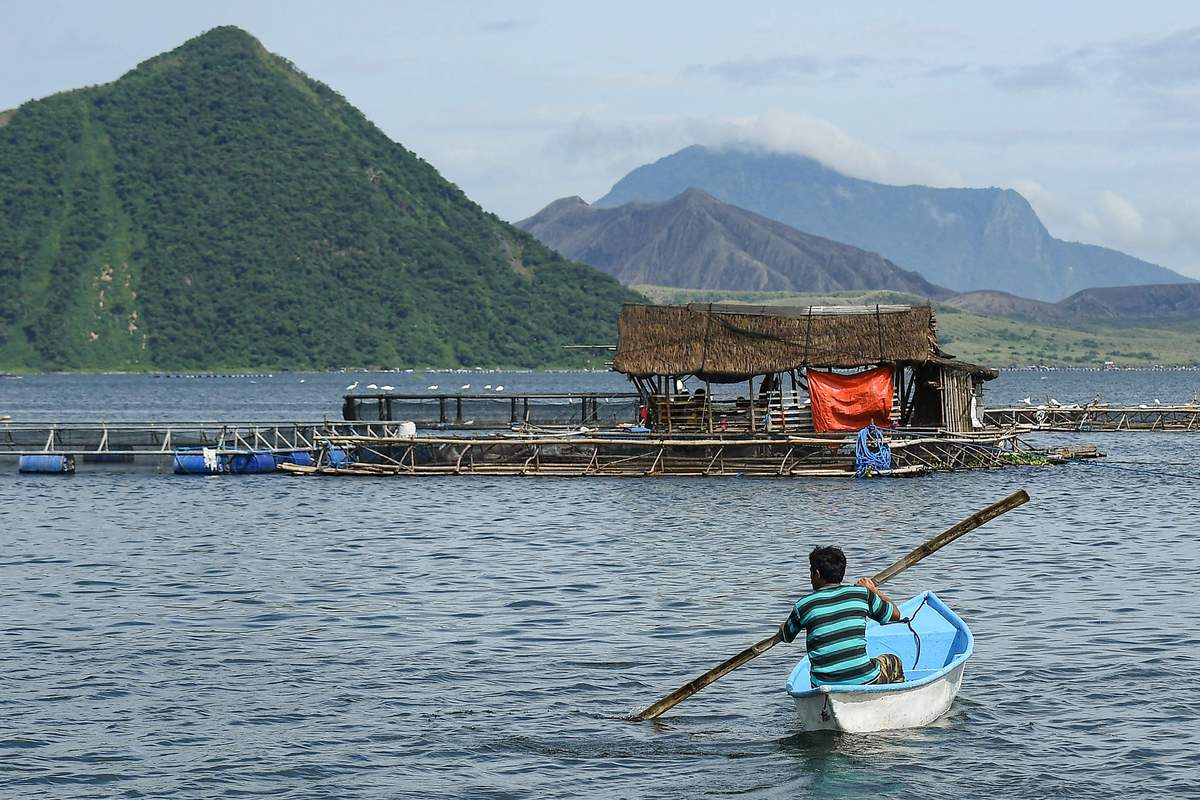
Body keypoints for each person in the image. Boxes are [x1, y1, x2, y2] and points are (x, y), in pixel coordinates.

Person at [779, 545, 905, 687]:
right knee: (894, 661)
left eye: (811, 573)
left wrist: (784, 627)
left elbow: (786, 636)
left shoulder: (803, 605)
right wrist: (874, 591)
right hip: (864, 679)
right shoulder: (862, 595)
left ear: (817, 574)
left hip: (823, 684)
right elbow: (896, 614)